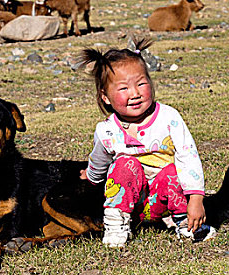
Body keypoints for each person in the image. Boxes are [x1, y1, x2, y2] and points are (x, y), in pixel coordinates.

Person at [77, 37, 216, 247]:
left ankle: (186, 223)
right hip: (130, 206)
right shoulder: (106, 130)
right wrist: (92, 175)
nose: (135, 93)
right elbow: (99, 159)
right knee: (124, 164)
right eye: (123, 88)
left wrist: (196, 198)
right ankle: (116, 225)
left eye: (141, 83)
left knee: (172, 171)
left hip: (164, 202)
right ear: (105, 97)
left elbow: (188, 156)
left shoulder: (169, 118)